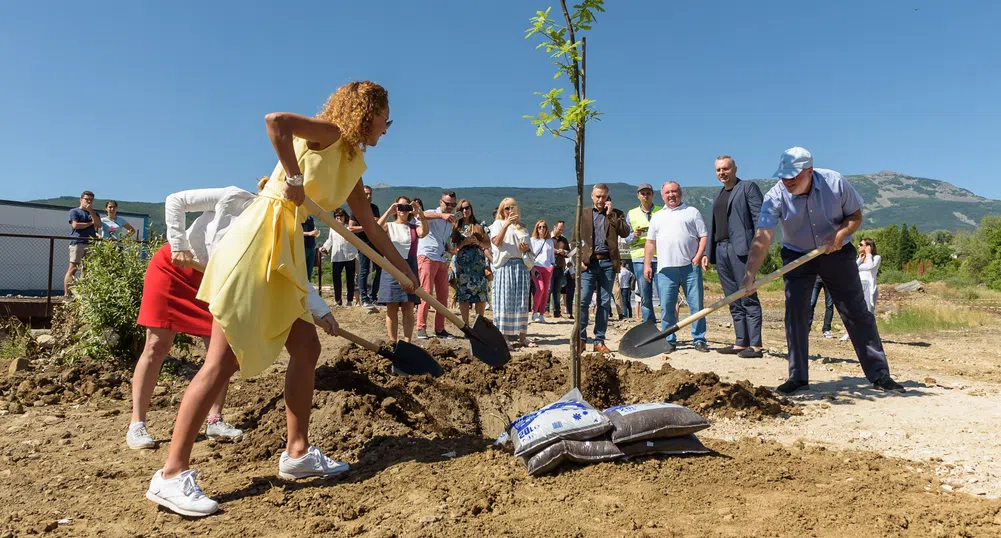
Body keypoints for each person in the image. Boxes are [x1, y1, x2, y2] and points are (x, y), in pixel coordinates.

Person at [146, 81, 418, 517]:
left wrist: (403, 270)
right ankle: (171, 475)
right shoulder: (327, 132)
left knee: (307, 347)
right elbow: (276, 123)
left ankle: (297, 453)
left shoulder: (352, 161)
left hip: (284, 254)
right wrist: (292, 177)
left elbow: (370, 224)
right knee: (221, 360)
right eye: (387, 118)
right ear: (368, 113)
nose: (388, 129)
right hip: (259, 243)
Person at [128, 179, 335, 450]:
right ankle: (137, 423)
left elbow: (295, 276)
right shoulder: (233, 197)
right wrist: (178, 243)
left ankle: (215, 419)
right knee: (157, 344)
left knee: (220, 352)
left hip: (218, 280)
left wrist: (324, 311)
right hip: (176, 266)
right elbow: (176, 200)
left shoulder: (283, 228)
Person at [740, 147, 904, 395]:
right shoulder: (775, 196)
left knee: (856, 312)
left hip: (837, 253)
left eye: (794, 176)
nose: (788, 181)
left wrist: (839, 235)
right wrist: (749, 273)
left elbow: (855, 216)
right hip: (796, 255)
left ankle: (879, 374)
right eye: (784, 175)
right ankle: (798, 377)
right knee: (795, 314)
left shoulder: (835, 182)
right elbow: (763, 236)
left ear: (810, 171)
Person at [707, 155, 764, 358]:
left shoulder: (748, 187)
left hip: (741, 249)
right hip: (721, 249)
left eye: (725, 169)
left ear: (735, 169)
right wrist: (708, 252)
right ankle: (741, 342)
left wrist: (759, 248)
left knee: (748, 294)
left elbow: (760, 219)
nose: (722, 173)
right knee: (732, 298)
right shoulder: (718, 194)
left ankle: (756, 345)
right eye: (718, 170)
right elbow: (715, 225)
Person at [644, 181, 710, 354]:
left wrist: (698, 256)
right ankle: (669, 340)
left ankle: (699, 339)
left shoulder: (692, 212)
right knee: (666, 307)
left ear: (680, 193)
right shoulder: (657, 216)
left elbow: (703, 236)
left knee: (696, 306)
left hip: (690, 268)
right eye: (667, 192)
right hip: (665, 269)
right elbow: (650, 243)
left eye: (674, 191)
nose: (671, 195)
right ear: (662, 195)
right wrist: (647, 265)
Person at [573, 184, 630, 353]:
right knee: (583, 301)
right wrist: (578, 261)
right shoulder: (583, 213)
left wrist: (611, 214)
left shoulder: (617, 214)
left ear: (608, 197)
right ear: (592, 196)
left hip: (608, 264)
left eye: (603, 196)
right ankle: (581, 340)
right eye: (597, 196)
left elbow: (625, 232)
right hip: (588, 264)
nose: (600, 200)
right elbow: (574, 240)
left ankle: (599, 340)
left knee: (604, 303)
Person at [377, 196, 428, 342]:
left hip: (410, 266)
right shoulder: (389, 226)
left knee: (408, 306)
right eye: (400, 206)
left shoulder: (413, 227)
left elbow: (424, 232)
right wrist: (388, 211)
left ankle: (407, 341)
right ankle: (393, 341)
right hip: (390, 268)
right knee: (391, 307)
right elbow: (376, 230)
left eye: (406, 207)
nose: (403, 210)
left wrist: (420, 213)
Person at [489, 197, 536, 349]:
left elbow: (529, 247)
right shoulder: (497, 224)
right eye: (507, 208)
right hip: (505, 265)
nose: (510, 211)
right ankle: (504, 338)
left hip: (521, 265)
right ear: (502, 210)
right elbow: (496, 242)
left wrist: (526, 249)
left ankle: (522, 337)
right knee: (505, 301)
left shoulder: (522, 227)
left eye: (512, 207)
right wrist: (507, 224)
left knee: (522, 302)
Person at [416, 191, 457, 339]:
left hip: (440, 257)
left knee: (443, 295)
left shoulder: (450, 221)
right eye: (447, 204)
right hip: (427, 255)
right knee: (426, 293)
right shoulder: (433, 213)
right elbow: (421, 216)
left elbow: (441, 238)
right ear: (441, 202)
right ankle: (421, 328)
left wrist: (449, 249)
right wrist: (441, 215)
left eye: (453, 204)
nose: (450, 207)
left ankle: (439, 329)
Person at [451, 200, 491, 327]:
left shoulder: (479, 225)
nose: (464, 211)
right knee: (463, 295)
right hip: (463, 266)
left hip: (477, 264)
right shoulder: (456, 227)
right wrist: (464, 243)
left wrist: (477, 242)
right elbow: (453, 248)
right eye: (461, 209)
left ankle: (478, 325)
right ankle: (466, 325)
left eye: (467, 207)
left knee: (480, 295)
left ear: (471, 208)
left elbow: (488, 243)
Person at [626, 183, 661, 324]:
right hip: (639, 258)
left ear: (652, 195)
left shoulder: (661, 211)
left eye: (648, 193)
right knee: (645, 294)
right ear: (638, 196)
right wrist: (634, 235)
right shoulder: (631, 213)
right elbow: (626, 239)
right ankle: (649, 324)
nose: (645, 196)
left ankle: (667, 324)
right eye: (642, 193)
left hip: (659, 257)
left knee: (663, 293)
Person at [841, 237, 882, 341]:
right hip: (857, 285)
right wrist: (859, 259)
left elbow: (870, 266)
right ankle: (849, 333)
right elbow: (852, 268)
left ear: (868, 246)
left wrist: (868, 254)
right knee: (852, 309)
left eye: (861, 244)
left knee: (868, 310)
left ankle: (871, 335)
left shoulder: (876, 258)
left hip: (868, 285)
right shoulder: (860, 258)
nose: (858, 246)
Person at [350, 184, 381, 311]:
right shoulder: (356, 209)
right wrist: (367, 225)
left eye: (370, 193)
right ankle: (363, 297)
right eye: (366, 194)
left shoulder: (374, 208)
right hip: (363, 243)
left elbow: (378, 223)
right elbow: (351, 228)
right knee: (364, 270)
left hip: (376, 242)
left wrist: (374, 223)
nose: (368, 196)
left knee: (380, 268)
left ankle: (373, 295)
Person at [319, 208, 358, 306]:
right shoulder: (333, 228)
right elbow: (330, 240)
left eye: (340, 216)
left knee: (350, 279)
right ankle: (338, 300)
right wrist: (324, 247)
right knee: (336, 279)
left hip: (350, 256)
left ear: (345, 217)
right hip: (336, 256)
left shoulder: (349, 228)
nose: (338, 218)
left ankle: (349, 300)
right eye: (336, 216)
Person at [64, 190, 101, 294]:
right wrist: (90, 223)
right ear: (81, 200)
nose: (88, 202)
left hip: (90, 244)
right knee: (73, 269)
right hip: (77, 242)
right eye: (86, 199)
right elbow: (76, 226)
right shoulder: (74, 211)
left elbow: (98, 224)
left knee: (86, 269)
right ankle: (67, 294)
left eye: (91, 200)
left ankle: (82, 294)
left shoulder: (94, 213)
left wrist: (91, 212)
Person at [528, 220, 555, 323]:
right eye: (539, 227)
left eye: (544, 227)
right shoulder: (533, 240)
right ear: (536, 228)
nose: (542, 229)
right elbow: (530, 254)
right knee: (540, 289)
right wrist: (531, 267)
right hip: (537, 267)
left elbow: (552, 256)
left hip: (547, 268)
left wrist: (552, 265)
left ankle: (542, 313)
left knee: (546, 292)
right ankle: (535, 312)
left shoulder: (550, 241)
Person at [549, 221, 569, 318]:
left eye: (562, 229)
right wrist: (555, 251)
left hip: (560, 267)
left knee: (557, 290)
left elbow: (569, 252)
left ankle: (557, 311)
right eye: (559, 229)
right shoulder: (548, 238)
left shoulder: (564, 240)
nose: (561, 231)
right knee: (549, 289)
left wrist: (563, 252)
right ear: (554, 227)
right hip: (549, 267)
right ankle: (545, 309)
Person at [301, 215, 321, 281]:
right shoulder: (299, 217)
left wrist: (315, 232)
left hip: (311, 247)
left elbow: (312, 231)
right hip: (302, 247)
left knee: (309, 273)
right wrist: (309, 233)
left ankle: (308, 288)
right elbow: (295, 232)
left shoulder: (310, 218)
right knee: (301, 272)